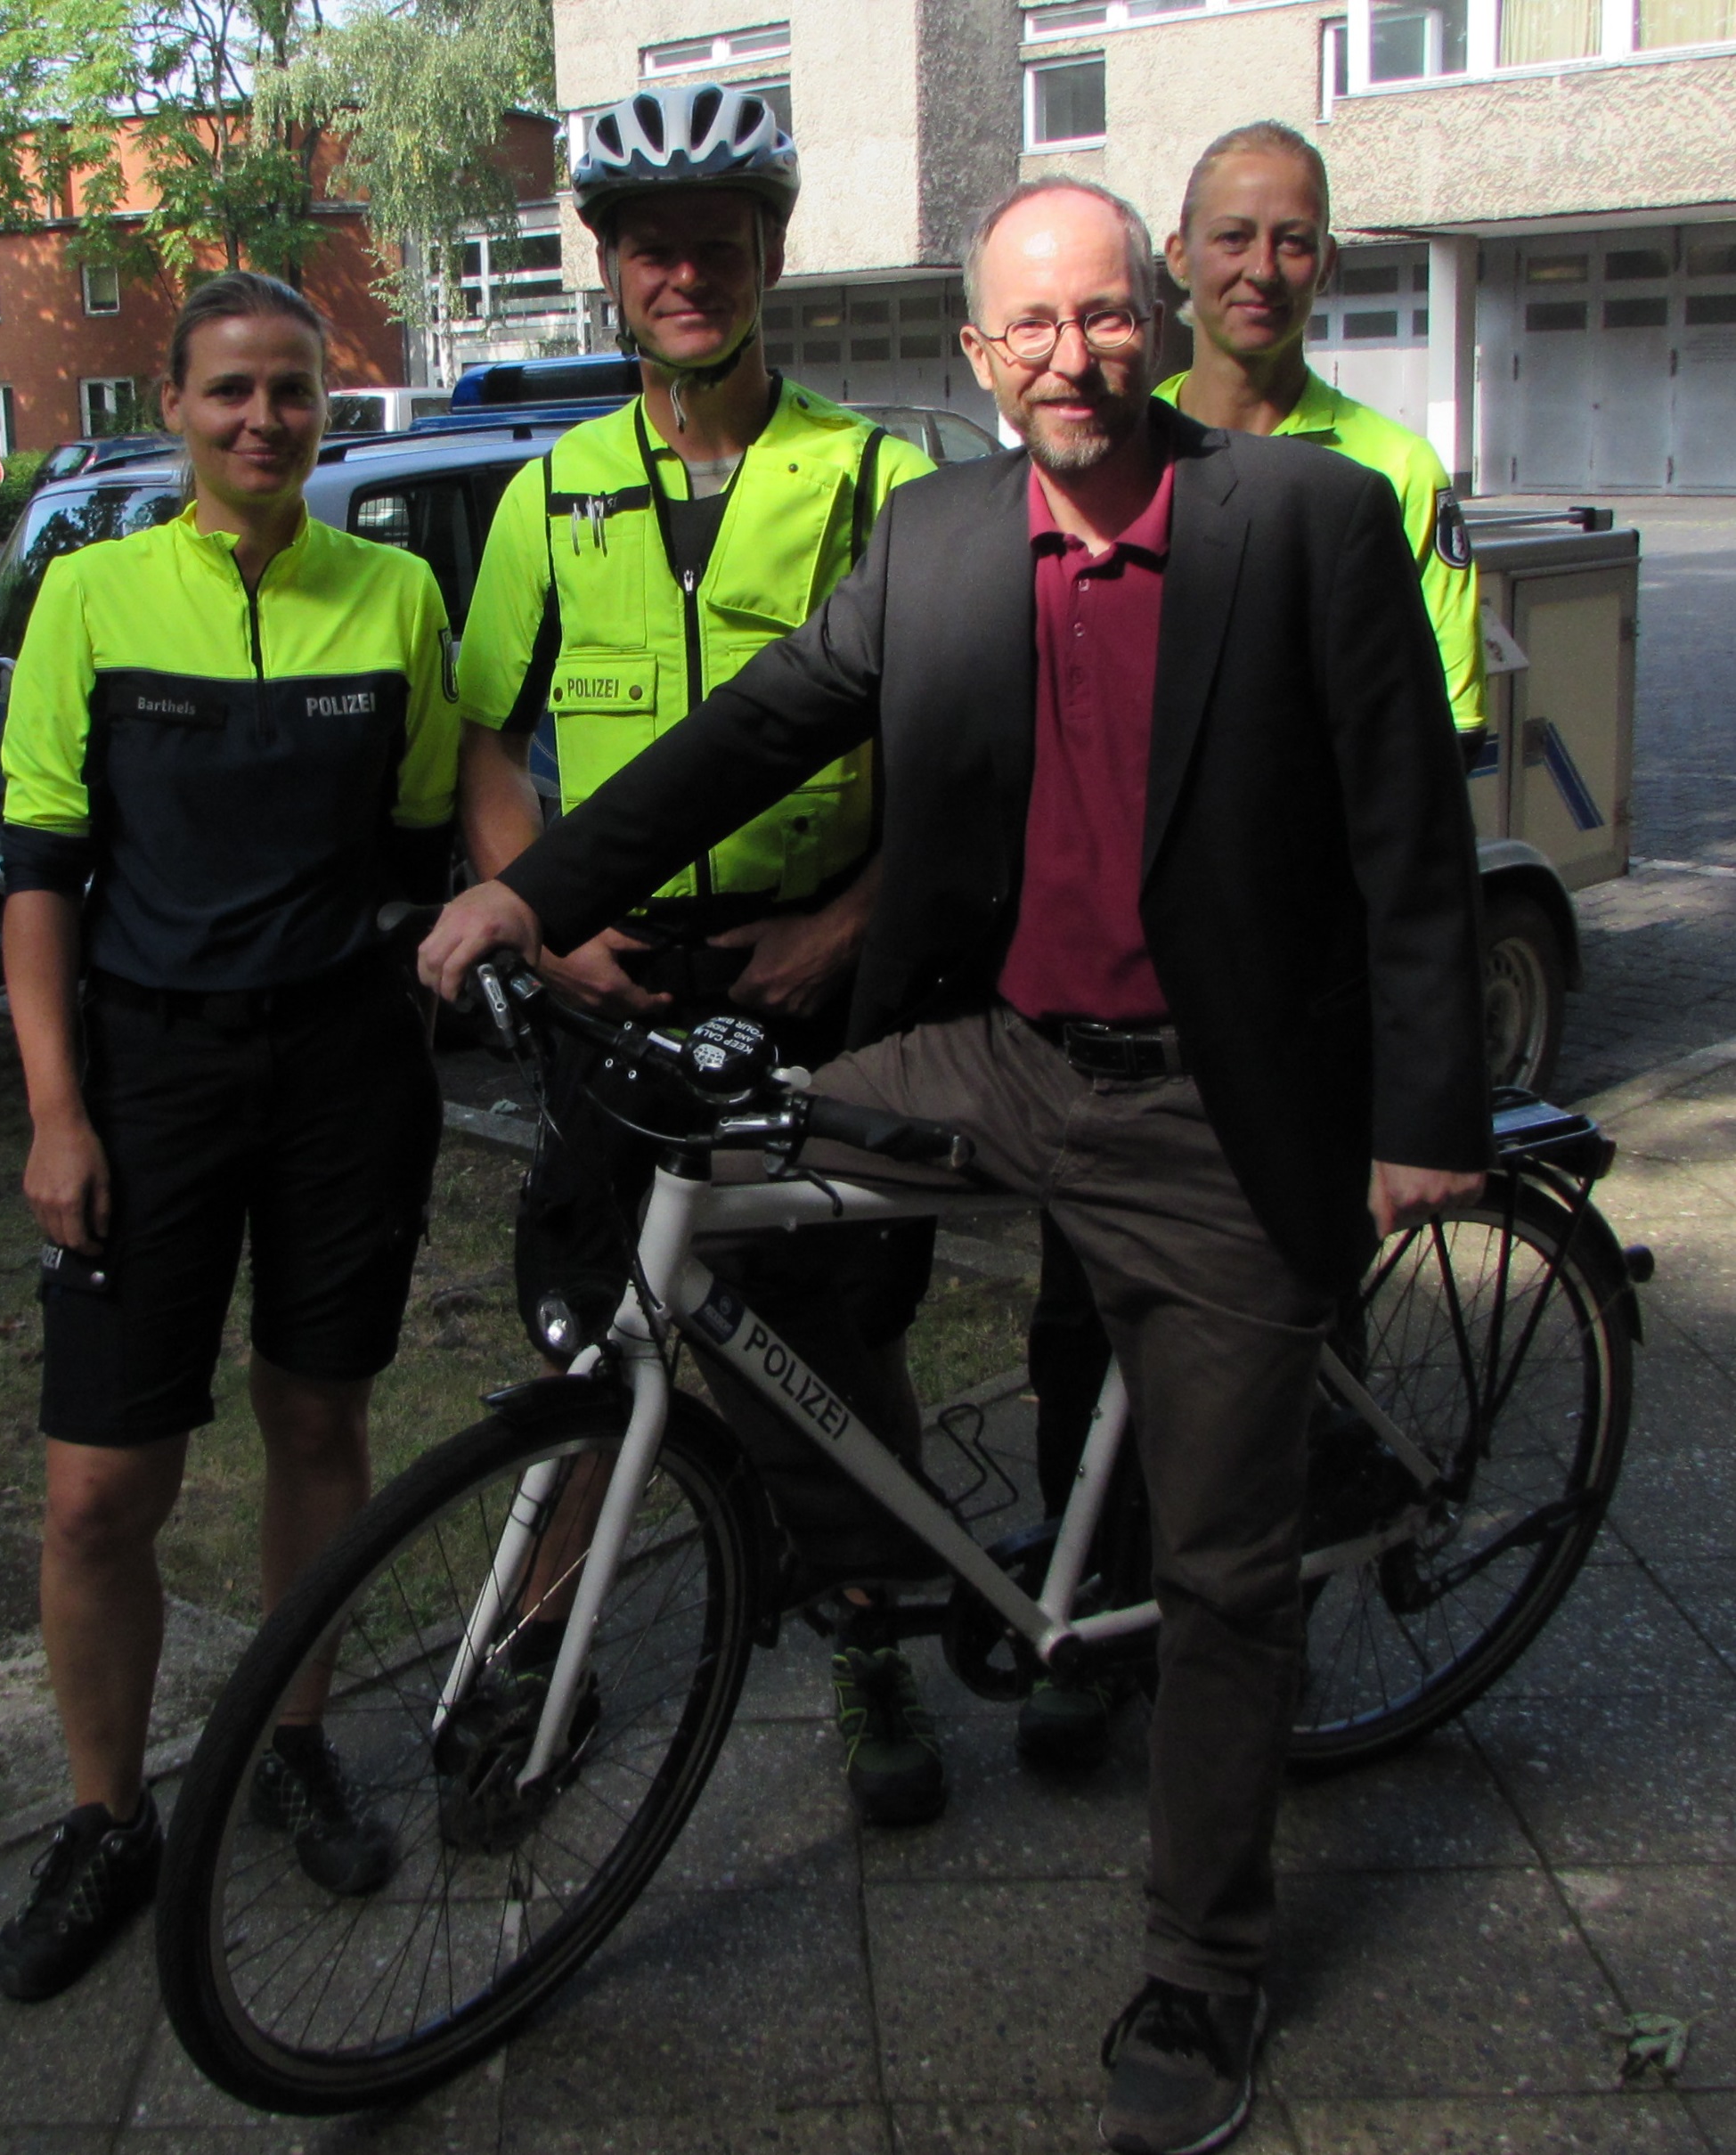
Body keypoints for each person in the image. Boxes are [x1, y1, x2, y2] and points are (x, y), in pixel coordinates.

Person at [422, 176, 1490, 2155]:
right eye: (1026, 330)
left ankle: (1201, 1965)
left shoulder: (1305, 523)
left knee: (1220, 1571)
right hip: (997, 1057)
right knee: (710, 1177)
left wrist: (1421, 1117)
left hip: (1211, 1105)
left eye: (1101, 318)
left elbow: (1411, 834)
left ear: (1155, 321)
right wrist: (528, 892)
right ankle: (883, 1602)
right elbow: (746, 732)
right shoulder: (932, 543)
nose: (1065, 360)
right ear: (979, 355)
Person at [456, 82, 945, 1826]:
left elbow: (962, 748)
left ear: (770, 256)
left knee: (832, 1324)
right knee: (596, 1325)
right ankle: (539, 1650)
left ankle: (873, 1626)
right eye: (650, 247)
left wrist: (844, 923)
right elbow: (486, 744)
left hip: (807, 970)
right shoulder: (550, 489)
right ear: (604, 270)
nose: (684, 274)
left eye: (716, 244)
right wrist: (552, 921)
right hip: (617, 985)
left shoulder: (876, 473)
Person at [0, 270, 460, 2002]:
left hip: (346, 1072)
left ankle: (294, 1738)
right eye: (229, 392)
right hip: (146, 1077)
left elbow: (422, 839)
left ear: (328, 407)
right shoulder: (93, 596)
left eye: (292, 391)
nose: (263, 420)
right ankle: (107, 1816)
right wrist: (55, 1111)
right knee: (101, 1490)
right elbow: (42, 872)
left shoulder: (399, 593)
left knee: (317, 1414)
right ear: (173, 407)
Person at [1022, 118, 1494, 1767]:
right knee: (1076, 1334)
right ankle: (1089, 1616)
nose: (1258, 269)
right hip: (1112, 1016)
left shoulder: (1383, 478)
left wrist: (1406, 1081)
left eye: (1291, 241)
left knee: (1280, 1367)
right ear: (1174, 259)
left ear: (1326, 263)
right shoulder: (1101, 451)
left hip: (1287, 1016)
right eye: (1229, 236)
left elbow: (1415, 805)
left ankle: (1253, 1666)